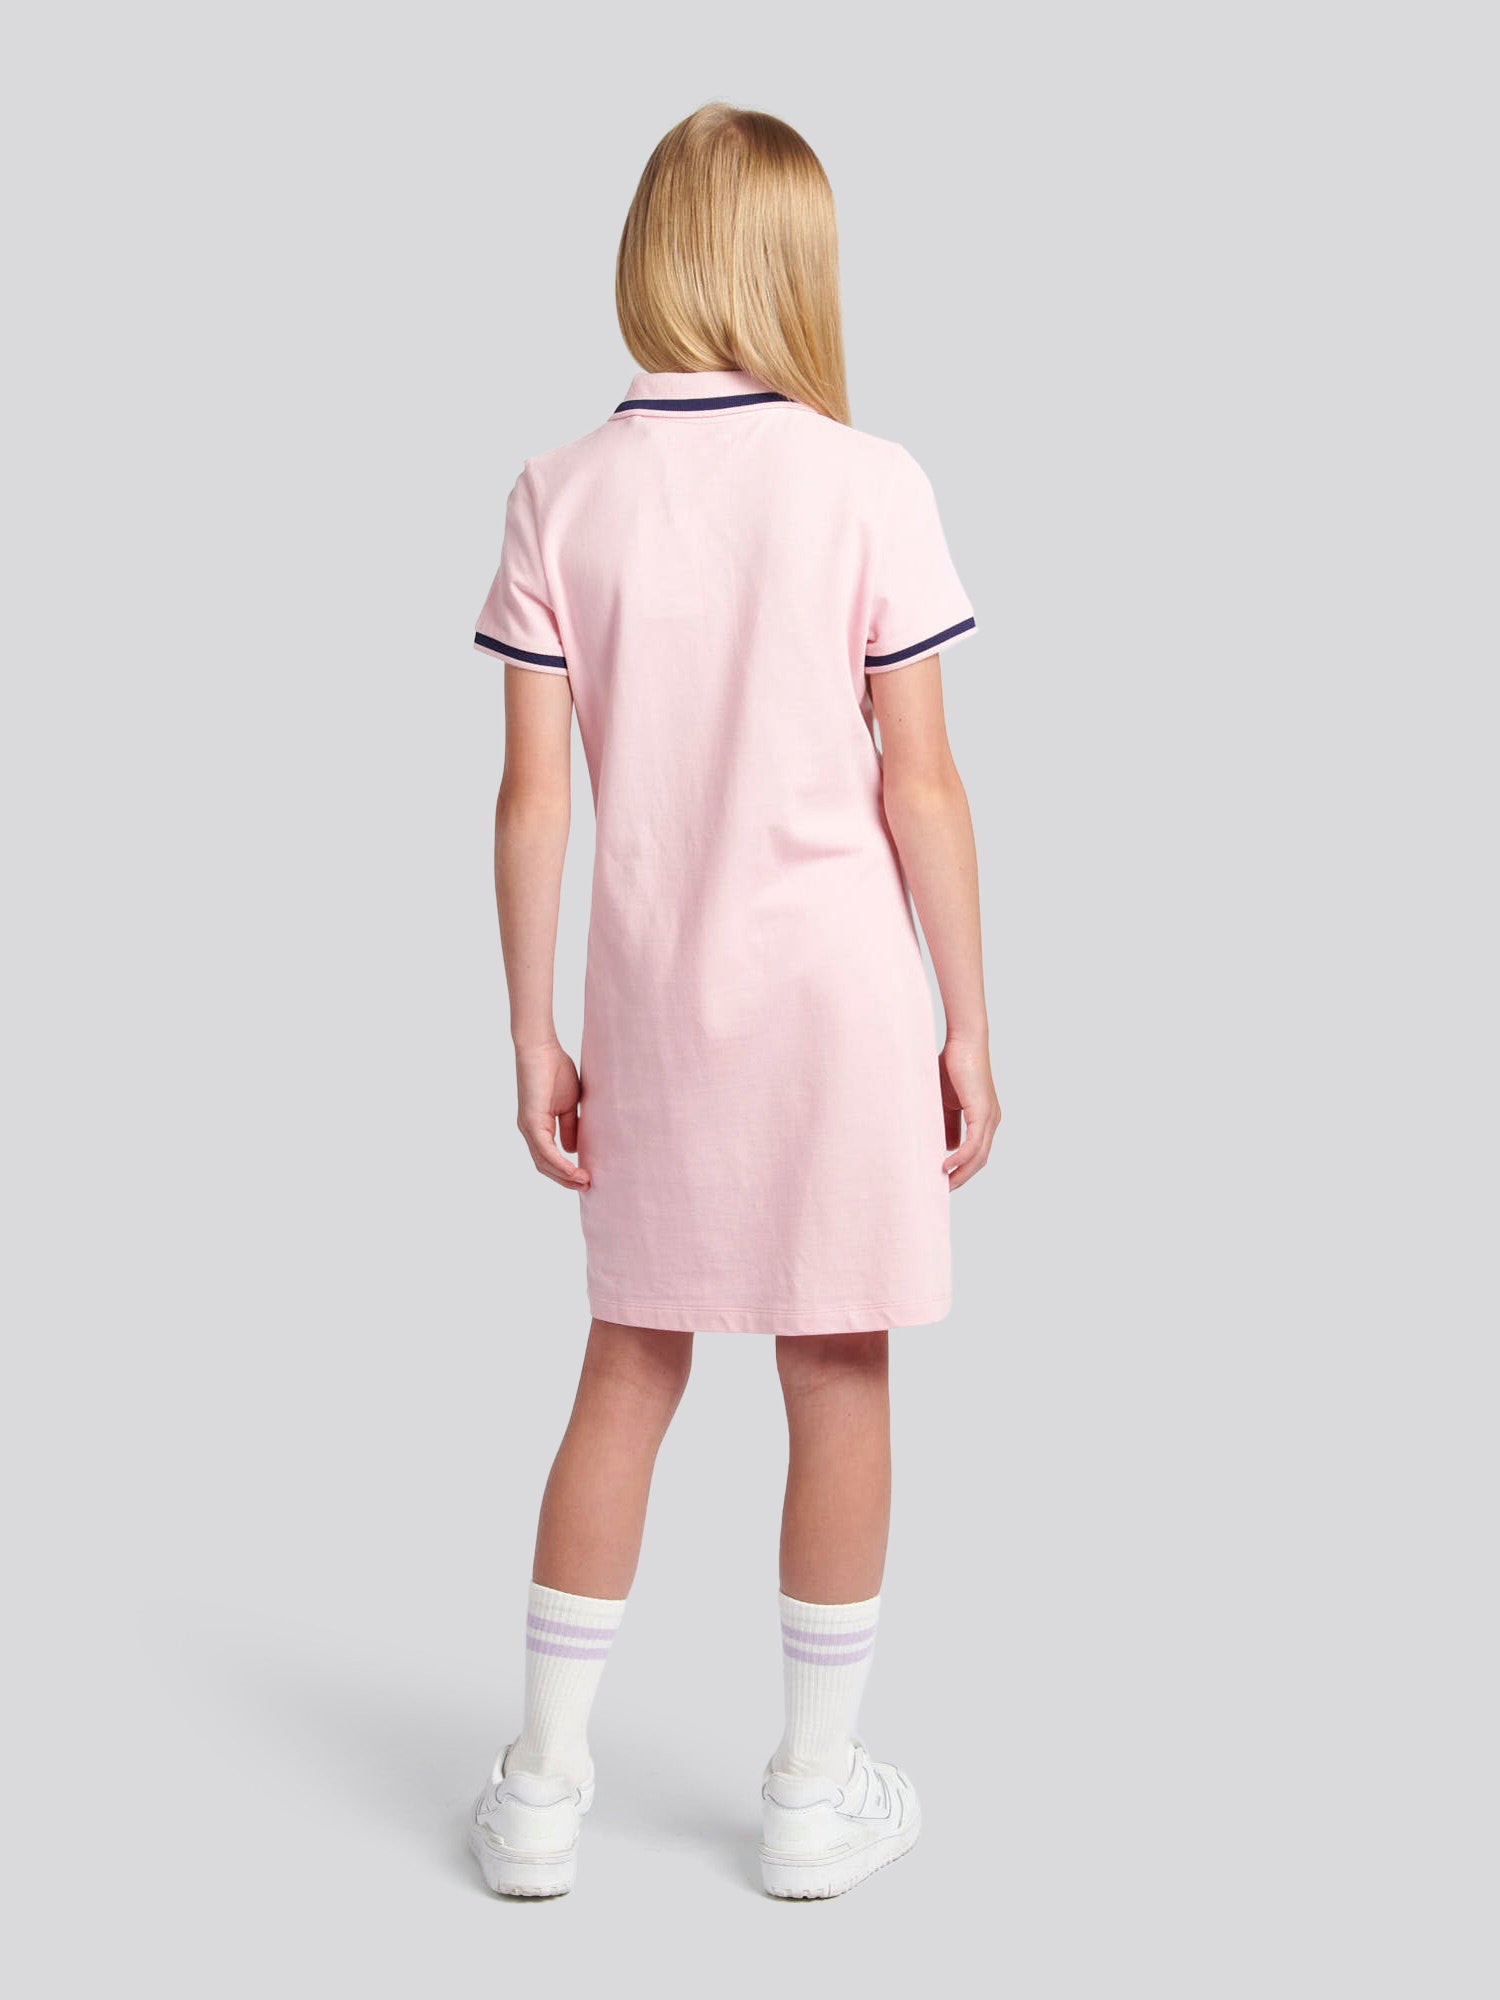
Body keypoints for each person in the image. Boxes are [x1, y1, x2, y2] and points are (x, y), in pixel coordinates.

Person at [468, 103, 999, 1901]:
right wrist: (970, 1023)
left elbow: (532, 797)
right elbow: (923, 783)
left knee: (628, 1363)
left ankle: (543, 1793)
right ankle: (809, 1797)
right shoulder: (872, 480)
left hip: (654, 1008)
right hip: (841, 1005)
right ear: (797, 262)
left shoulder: (558, 490)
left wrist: (531, 1033)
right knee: (838, 1370)